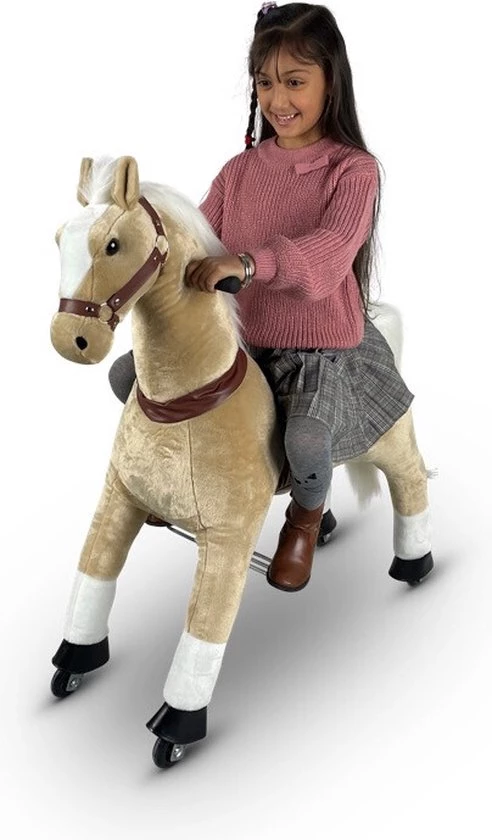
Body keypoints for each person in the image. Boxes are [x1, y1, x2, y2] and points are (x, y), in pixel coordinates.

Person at [109, 2, 414, 593]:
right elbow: (197, 237)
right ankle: (179, 477)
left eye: (295, 82)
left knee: (307, 438)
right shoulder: (240, 170)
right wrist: (144, 249)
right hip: (242, 341)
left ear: (331, 82)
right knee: (131, 378)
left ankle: (306, 516)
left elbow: (331, 252)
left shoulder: (353, 171)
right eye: (265, 82)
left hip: (314, 349)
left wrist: (250, 263)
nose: (278, 99)